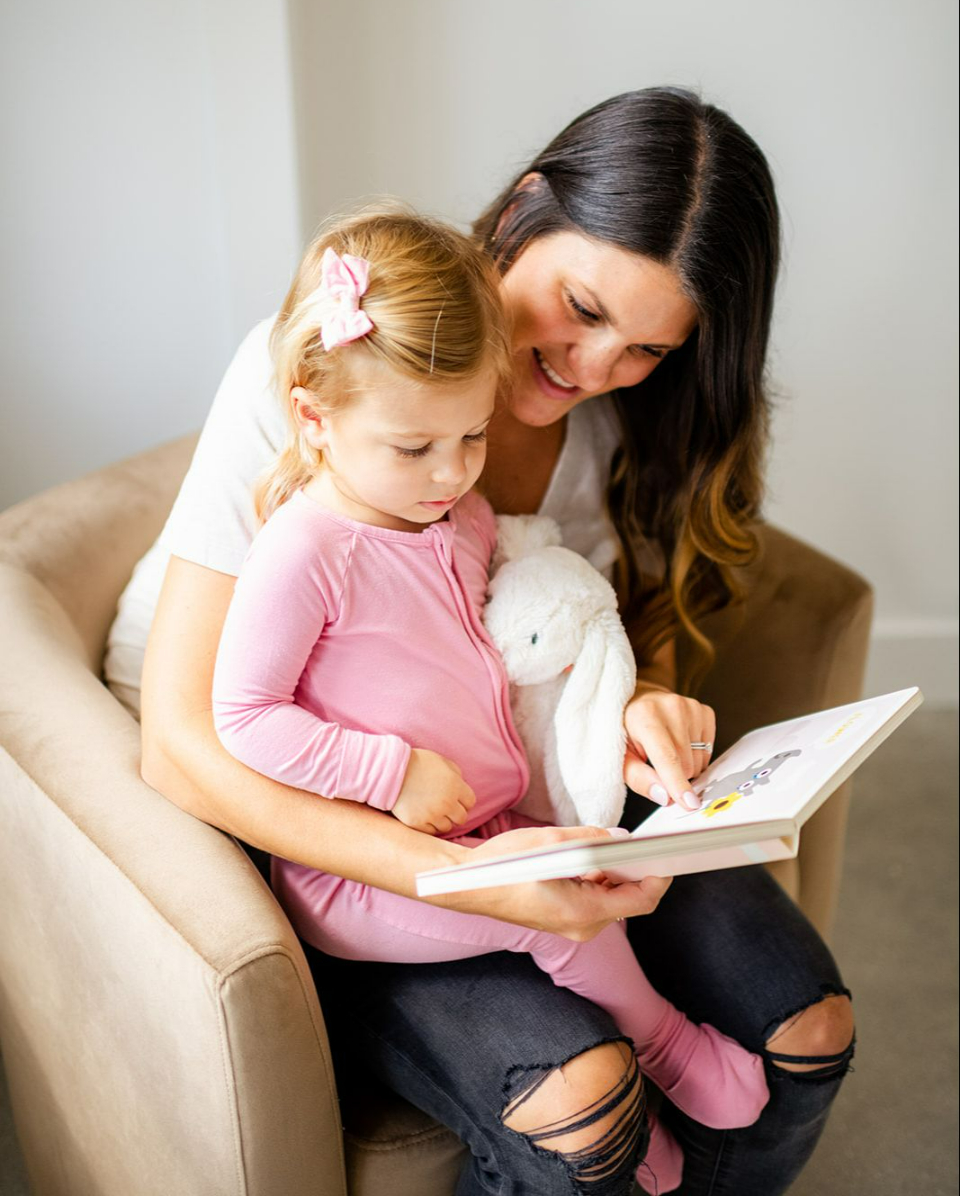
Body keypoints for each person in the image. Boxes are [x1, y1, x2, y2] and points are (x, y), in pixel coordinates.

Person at [127, 88, 855, 1196]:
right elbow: (189, 741)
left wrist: (635, 701)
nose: (592, 368)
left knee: (806, 1032)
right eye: (580, 306)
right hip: (334, 825)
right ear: (521, 212)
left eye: (645, 348)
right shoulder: (329, 375)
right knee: (583, 1113)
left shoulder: (609, 434)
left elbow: (565, 622)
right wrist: (464, 876)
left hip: (515, 795)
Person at [209, 209, 771, 1193]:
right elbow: (243, 716)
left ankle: (646, 1053)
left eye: (472, 435)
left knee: (595, 867)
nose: (453, 471)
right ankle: (663, 1044)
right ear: (314, 419)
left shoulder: (457, 517)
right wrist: (390, 773)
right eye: (414, 446)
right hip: (361, 873)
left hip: (482, 819)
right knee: (551, 915)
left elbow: (519, 607)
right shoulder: (306, 550)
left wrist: (612, 680)